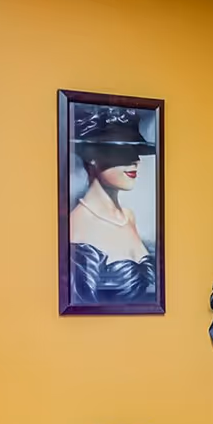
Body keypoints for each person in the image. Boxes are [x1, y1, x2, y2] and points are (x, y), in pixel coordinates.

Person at [68, 109, 157, 307]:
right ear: (92, 156)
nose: (136, 161)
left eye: (137, 151)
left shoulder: (128, 216)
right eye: (123, 150)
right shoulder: (77, 225)